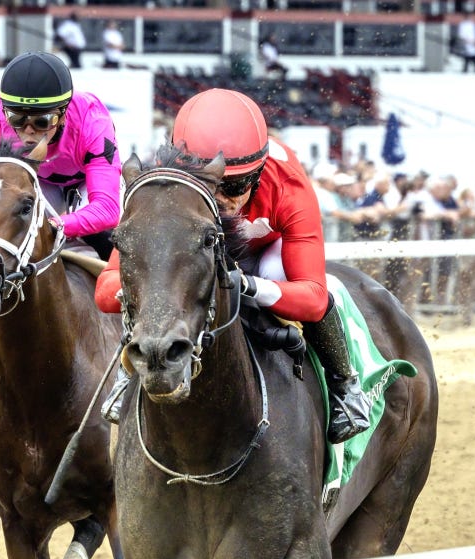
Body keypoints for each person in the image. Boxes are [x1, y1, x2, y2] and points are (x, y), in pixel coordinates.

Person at [96, 89, 370, 443]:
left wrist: (247, 284)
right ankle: (126, 371)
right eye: (209, 182)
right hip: (202, 251)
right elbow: (106, 291)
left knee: (277, 273)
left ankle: (344, 385)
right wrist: (146, 285)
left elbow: (315, 297)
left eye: (234, 186)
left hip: (264, 255)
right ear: (182, 166)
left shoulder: (287, 185)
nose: (220, 201)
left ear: (258, 173)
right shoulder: (165, 181)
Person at [0, 51, 123, 312]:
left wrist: (54, 226)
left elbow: (107, 209)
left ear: (63, 113)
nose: (29, 131)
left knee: (118, 241)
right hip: (35, 179)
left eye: (41, 121)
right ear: (5, 112)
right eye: (17, 120)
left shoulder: (93, 123)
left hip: (85, 182)